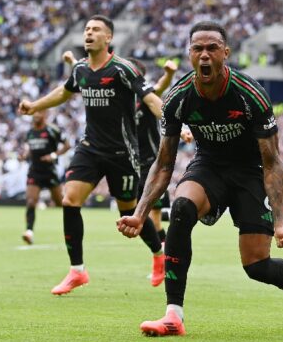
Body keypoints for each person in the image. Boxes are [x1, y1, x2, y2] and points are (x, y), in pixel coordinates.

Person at [116, 21, 283, 336]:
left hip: (251, 172)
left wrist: (280, 223)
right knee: (180, 208)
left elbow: (273, 162)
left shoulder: (251, 95)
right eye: (198, 49)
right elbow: (165, 163)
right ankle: (173, 316)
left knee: (257, 266)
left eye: (212, 48)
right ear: (189, 54)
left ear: (226, 53)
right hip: (208, 166)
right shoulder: (178, 98)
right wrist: (140, 214)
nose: (204, 55)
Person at [18, 15, 164, 295]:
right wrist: (35, 106)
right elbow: (64, 92)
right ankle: (77, 271)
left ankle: (158, 254)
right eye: (87, 29)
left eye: (96, 29)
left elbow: (149, 97)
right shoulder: (81, 70)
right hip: (90, 148)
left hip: (122, 152)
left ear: (108, 38)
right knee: (70, 200)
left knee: (128, 213)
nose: (89, 33)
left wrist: (171, 122)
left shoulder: (123, 68)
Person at [61, 50, 179, 287]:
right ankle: (160, 256)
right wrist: (72, 62)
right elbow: (89, 77)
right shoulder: (119, 99)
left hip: (150, 165)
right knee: (137, 214)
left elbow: (159, 89)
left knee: (150, 218)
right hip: (129, 159)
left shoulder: (145, 97)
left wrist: (169, 74)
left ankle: (163, 257)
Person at [21, 109, 70, 244]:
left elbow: (67, 145)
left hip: (50, 171)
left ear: (45, 114)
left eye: (39, 112)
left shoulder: (52, 130)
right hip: (34, 171)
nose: (36, 115)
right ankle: (29, 232)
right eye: (34, 113)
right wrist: (24, 156)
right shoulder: (30, 132)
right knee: (31, 201)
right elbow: (30, 150)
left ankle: (71, 229)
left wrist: (53, 155)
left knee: (60, 203)